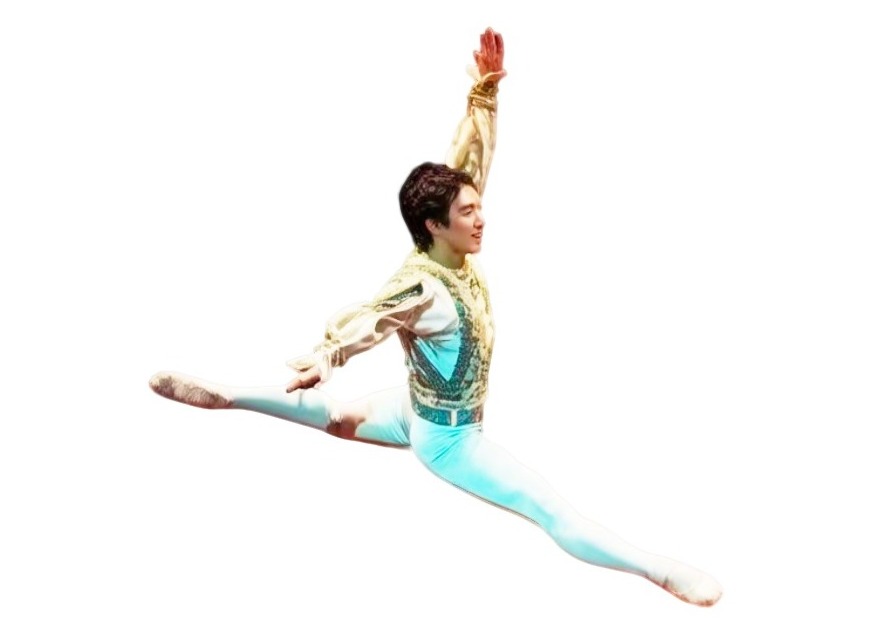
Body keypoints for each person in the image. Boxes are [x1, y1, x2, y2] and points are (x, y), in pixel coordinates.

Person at [149, 28, 722, 607]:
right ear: (434, 225)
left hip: (416, 407)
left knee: (338, 419)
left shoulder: (444, 243)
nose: (481, 218)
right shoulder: (424, 288)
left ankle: (230, 396)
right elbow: (373, 317)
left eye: (478, 207)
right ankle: (660, 571)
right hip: (450, 440)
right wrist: (327, 354)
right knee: (547, 509)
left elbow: (466, 167)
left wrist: (485, 93)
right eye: (468, 213)